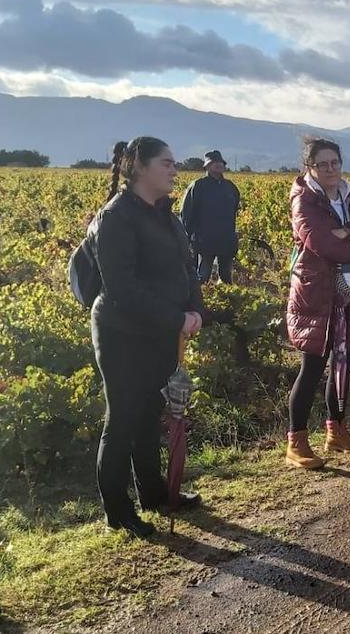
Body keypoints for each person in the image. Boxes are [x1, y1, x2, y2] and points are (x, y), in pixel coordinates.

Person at [90, 137, 207, 538]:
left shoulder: (166, 214)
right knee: (122, 419)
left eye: (175, 163)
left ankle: (154, 494)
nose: (175, 169)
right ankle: (117, 512)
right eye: (167, 163)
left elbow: (187, 269)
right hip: (123, 332)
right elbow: (121, 286)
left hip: (161, 330)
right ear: (139, 167)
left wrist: (194, 310)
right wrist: (176, 316)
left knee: (148, 415)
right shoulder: (117, 217)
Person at [284, 138, 350, 469]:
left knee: (343, 364)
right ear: (309, 168)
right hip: (315, 293)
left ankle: (336, 430)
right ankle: (296, 441)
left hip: (349, 290)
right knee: (312, 366)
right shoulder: (304, 200)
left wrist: (348, 230)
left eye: (334, 163)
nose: (330, 169)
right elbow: (323, 244)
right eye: (322, 164)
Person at [178, 150, 241, 284]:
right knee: (202, 277)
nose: (218, 165)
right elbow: (186, 214)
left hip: (226, 240)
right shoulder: (197, 186)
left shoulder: (230, 188)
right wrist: (188, 238)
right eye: (214, 162)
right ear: (206, 166)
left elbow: (235, 211)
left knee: (226, 279)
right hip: (204, 241)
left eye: (220, 162)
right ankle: (200, 303)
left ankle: (227, 302)